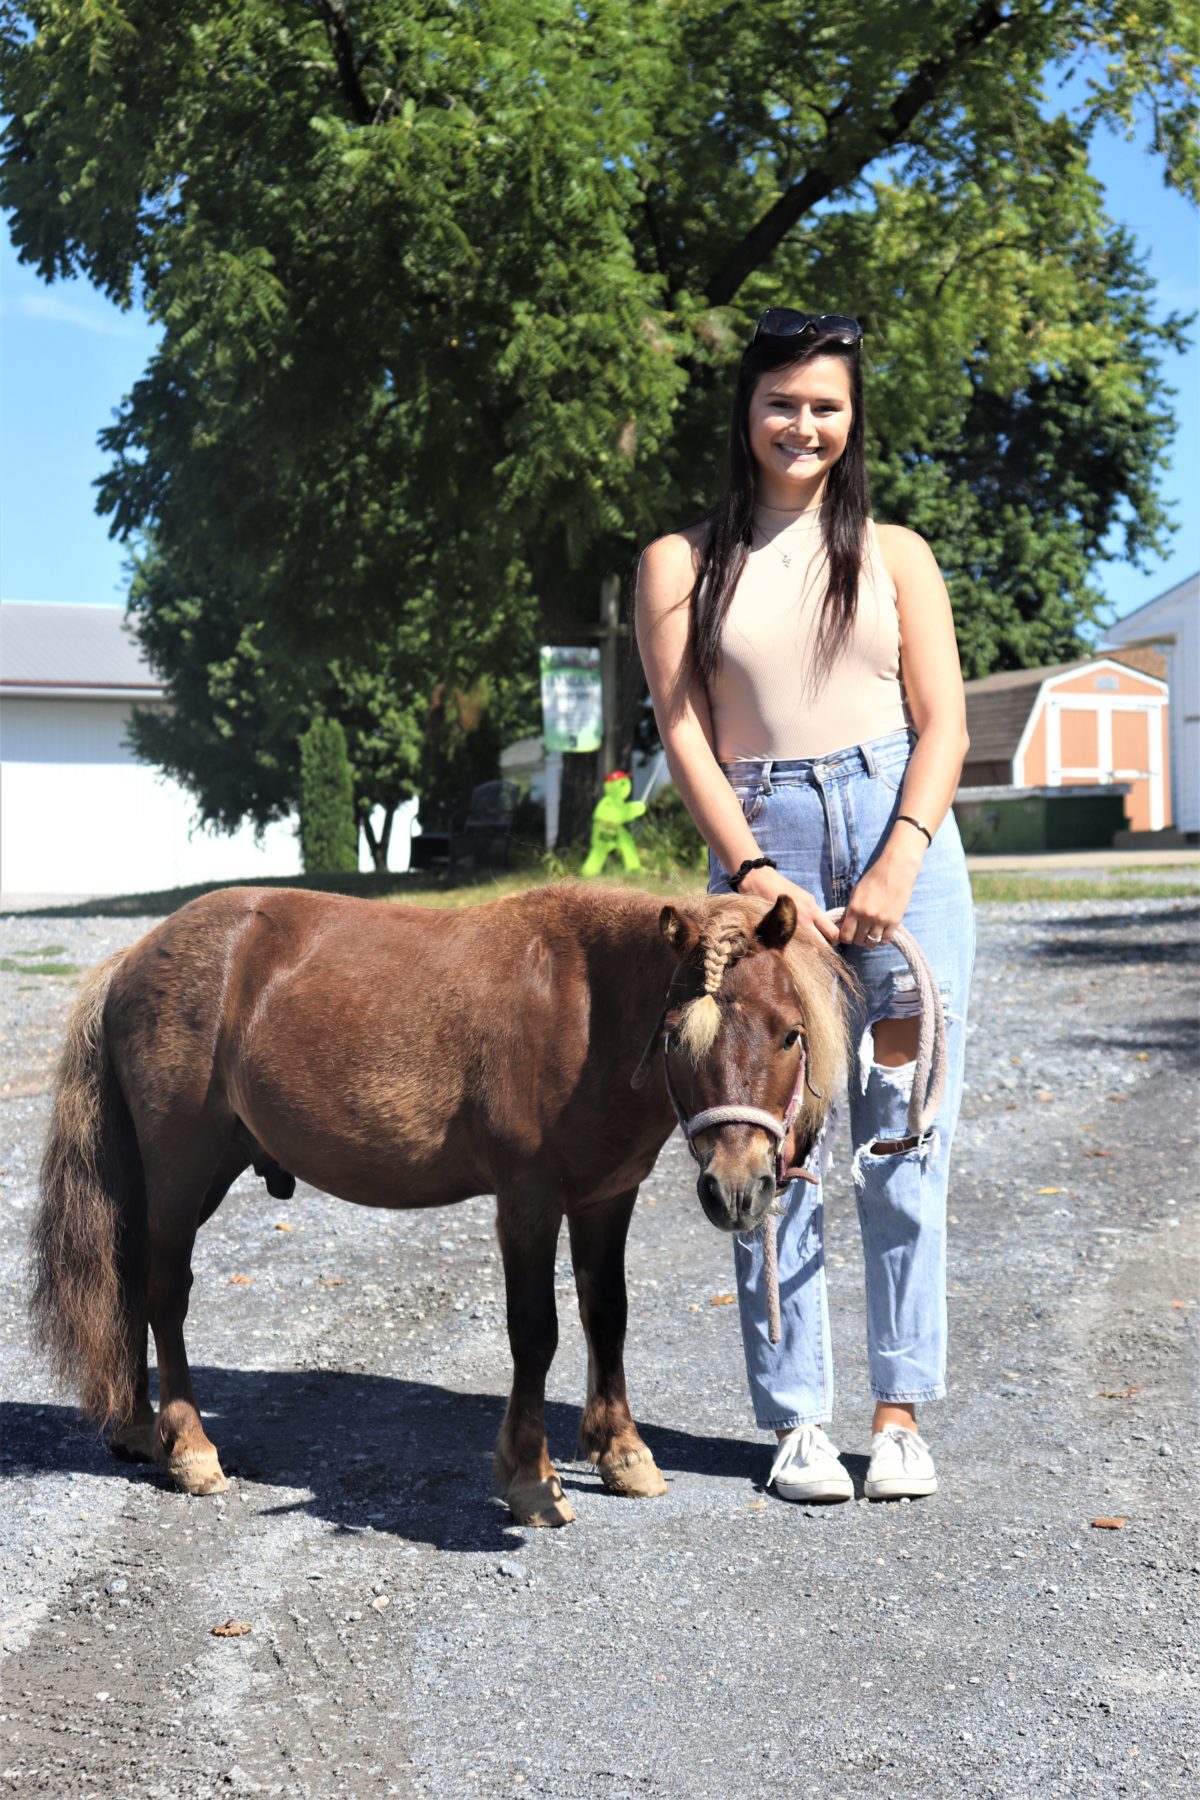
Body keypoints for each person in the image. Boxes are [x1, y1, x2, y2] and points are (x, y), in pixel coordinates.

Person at [635, 308, 974, 1503]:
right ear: (746, 411)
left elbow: (945, 723)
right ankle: (794, 1420)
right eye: (783, 401)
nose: (804, 424)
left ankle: (897, 1413)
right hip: (762, 835)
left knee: (899, 1129)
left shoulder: (898, 555)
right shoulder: (680, 564)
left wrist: (899, 863)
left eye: (826, 405)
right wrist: (752, 870)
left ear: (852, 419)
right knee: (767, 1127)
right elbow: (683, 730)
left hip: (901, 831)